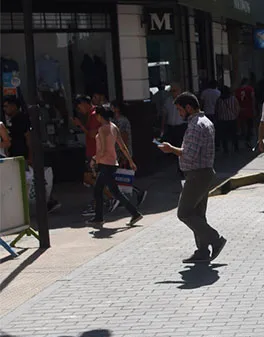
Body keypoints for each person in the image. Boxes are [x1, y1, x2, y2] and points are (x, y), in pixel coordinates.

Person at [158, 92, 227, 264]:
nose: (179, 113)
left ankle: (215, 239)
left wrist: (171, 149)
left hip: (197, 174)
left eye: (180, 109)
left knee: (184, 213)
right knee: (197, 213)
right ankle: (202, 250)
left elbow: (189, 155)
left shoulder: (196, 125)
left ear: (189, 107)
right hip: (203, 173)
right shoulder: (206, 122)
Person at [88, 104, 142, 226]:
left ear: (100, 116)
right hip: (112, 163)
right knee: (103, 190)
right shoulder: (114, 127)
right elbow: (122, 146)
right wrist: (130, 161)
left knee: (110, 191)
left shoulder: (102, 129)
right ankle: (99, 217)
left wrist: (94, 159)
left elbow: (102, 150)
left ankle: (134, 213)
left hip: (105, 163)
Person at [216, 85, 240, 153]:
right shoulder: (233, 98)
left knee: (224, 135)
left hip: (222, 120)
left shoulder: (219, 100)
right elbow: (237, 108)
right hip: (232, 119)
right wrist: (235, 115)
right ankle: (236, 147)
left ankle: (225, 148)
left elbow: (217, 110)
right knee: (234, 134)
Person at [235, 78, 257, 149]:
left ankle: (243, 136)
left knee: (242, 125)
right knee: (250, 125)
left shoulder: (237, 90)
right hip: (248, 109)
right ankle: (248, 138)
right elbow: (253, 98)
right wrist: (254, 108)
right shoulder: (250, 89)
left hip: (241, 109)